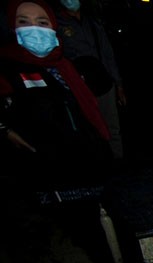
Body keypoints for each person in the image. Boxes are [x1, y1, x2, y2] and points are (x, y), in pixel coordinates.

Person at [1, 0, 112, 192]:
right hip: (43, 180)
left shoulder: (64, 67)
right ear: (12, 27)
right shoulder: (7, 69)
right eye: (24, 22)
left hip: (86, 168)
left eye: (42, 22)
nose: (34, 29)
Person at [55, 0, 126, 160]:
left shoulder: (93, 22)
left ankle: (118, 162)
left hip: (103, 80)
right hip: (78, 84)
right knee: (89, 126)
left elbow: (107, 54)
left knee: (112, 125)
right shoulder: (57, 23)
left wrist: (118, 83)